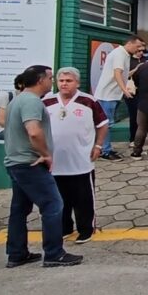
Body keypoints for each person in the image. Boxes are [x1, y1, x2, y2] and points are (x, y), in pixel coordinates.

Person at [3, 65, 83, 268]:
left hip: (16, 162)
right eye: (50, 78)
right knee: (53, 205)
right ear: (40, 80)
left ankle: (17, 253)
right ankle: (54, 253)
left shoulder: (18, 99)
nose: (52, 82)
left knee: (19, 209)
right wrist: (46, 154)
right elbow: (34, 131)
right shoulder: (31, 101)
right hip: (29, 163)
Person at [43, 67, 108, 245]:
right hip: (55, 162)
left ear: (77, 83)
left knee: (83, 199)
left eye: (69, 81)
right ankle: (64, 228)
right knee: (59, 199)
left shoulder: (88, 101)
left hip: (81, 160)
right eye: (61, 81)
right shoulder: (47, 102)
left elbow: (102, 124)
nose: (64, 84)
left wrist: (98, 145)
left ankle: (86, 229)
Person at [94, 35, 145, 161]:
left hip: (113, 95)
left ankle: (104, 148)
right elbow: (117, 73)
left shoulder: (125, 55)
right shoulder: (119, 54)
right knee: (106, 124)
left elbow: (124, 74)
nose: (139, 49)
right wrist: (124, 90)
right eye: (138, 46)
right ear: (130, 43)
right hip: (107, 95)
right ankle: (105, 151)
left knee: (108, 123)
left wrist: (136, 69)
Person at [0, 75, 24, 141]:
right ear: (20, 84)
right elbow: (1, 121)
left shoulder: (32, 98)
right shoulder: (7, 96)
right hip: (1, 130)